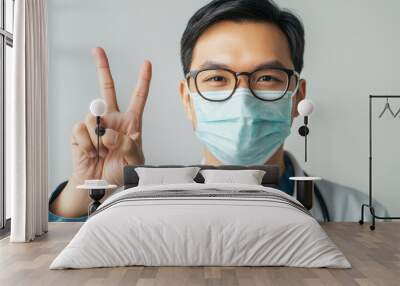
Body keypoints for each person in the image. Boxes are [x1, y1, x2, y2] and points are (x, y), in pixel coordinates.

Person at [49, 0, 387, 222]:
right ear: (187, 101)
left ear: (297, 97)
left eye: (267, 77)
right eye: (216, 78)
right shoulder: (145, 208)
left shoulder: (361, 214)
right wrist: (90, 185)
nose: (242, 97)